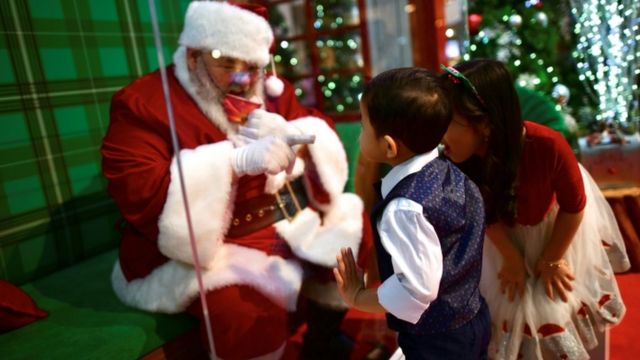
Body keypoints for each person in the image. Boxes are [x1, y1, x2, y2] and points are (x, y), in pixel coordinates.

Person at [101, 2, 372, 359]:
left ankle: (322, 341)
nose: (241, 79)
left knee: (352, 234)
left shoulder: (268, 88)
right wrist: (233, 162)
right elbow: (140, 190)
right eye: (226, 62)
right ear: (194, 55)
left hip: (282, 218)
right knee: (242, 309)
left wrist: (295, 136)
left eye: (252, 66)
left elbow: (315, 132)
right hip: (211, 246)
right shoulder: (144, 102)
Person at [439, 59, 629, 359]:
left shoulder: (547, 146)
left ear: (485, 123)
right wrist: (511, 259)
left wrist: (552, 259)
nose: (439, 134)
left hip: (555, 231)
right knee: (504, 309)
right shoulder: (457, 160)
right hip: (499, 236)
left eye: (447, 122)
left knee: (554, 302)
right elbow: (483, 213)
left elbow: (574, 205)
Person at [333, 67, 491, 359]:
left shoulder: (404, 207)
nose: (360, 135)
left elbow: (416, 291)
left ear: (389, 146)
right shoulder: (450, 174)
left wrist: (358, 297)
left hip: (438, 341)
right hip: (472, 317)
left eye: (364, 127)